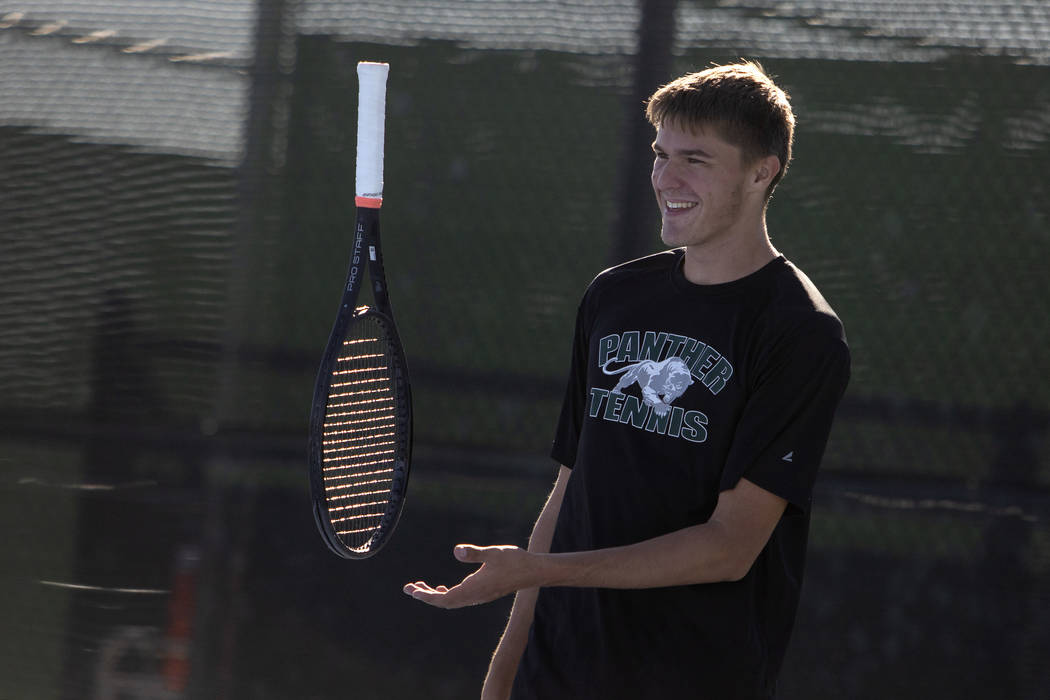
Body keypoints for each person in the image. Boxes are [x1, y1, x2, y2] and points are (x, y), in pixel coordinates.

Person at [404, 61, 851, 700]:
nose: (665, 178)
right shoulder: (615, 297)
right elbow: (568, 489)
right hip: (554, 676)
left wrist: (540, 571)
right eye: (659, 153)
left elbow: (729, 547)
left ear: (762, 171)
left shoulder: (801, 333)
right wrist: (507, 667)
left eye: (694, 159)